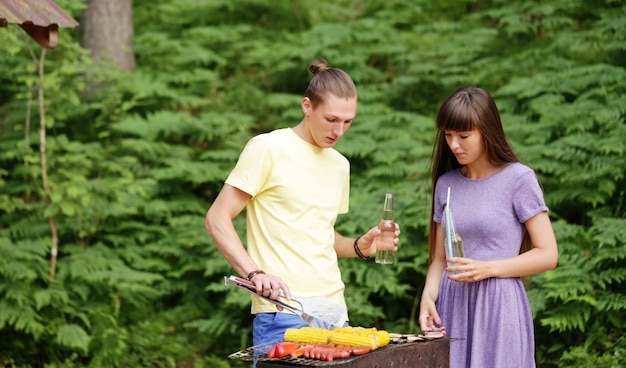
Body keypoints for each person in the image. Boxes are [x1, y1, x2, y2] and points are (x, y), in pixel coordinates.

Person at [205, 59, 400, 346]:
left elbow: (321, 234)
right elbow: (217, 219)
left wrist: (361, 245)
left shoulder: (339, 165)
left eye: (348, 122)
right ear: (307, 106)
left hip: (335, 313)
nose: (339, 131)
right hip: (283, 310)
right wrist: (254, 273)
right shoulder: (268, 148)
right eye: (331, 120)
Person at [418, 87, 558, 368]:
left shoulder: (519, 179)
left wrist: (488, 268)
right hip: (453, 306)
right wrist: (428, 296)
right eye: (448, 135)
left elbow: (548, 254)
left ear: (487, 131)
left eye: (463, 136)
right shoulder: (446, 184)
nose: (454, 144)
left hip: (498, 306)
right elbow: (439, 260)